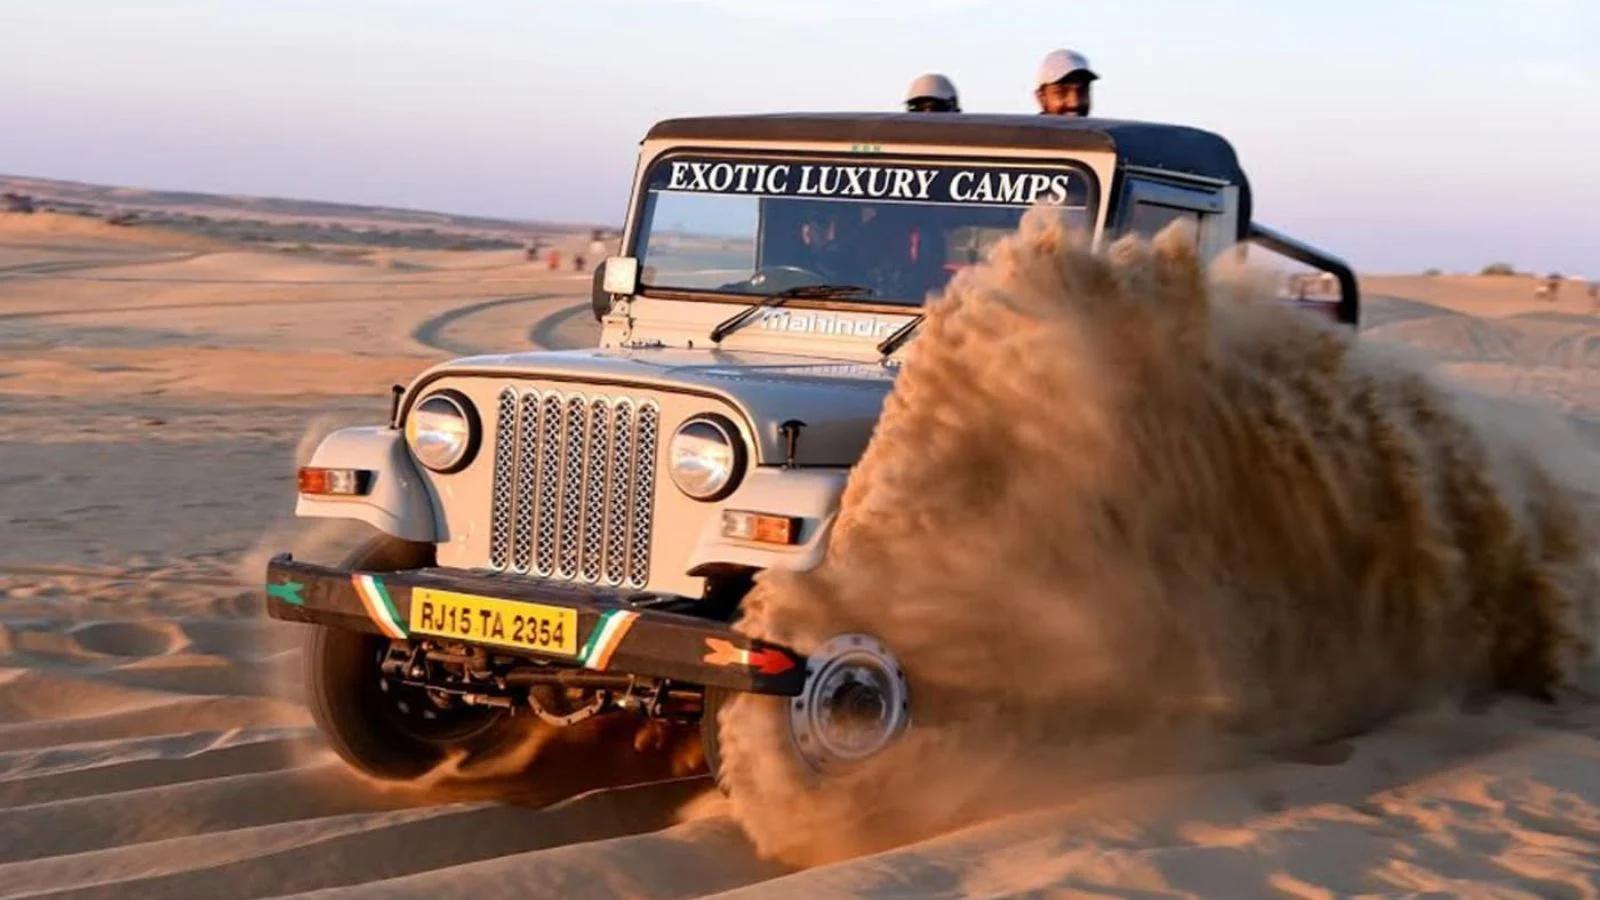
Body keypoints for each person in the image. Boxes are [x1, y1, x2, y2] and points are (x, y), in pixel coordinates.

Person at [1035, 48, 1097, 116]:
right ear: (1041, 98)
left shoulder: (1104, 126)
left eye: (1082, 91)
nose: (1074, 103)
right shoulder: (1025, 126)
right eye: (1061, 92)